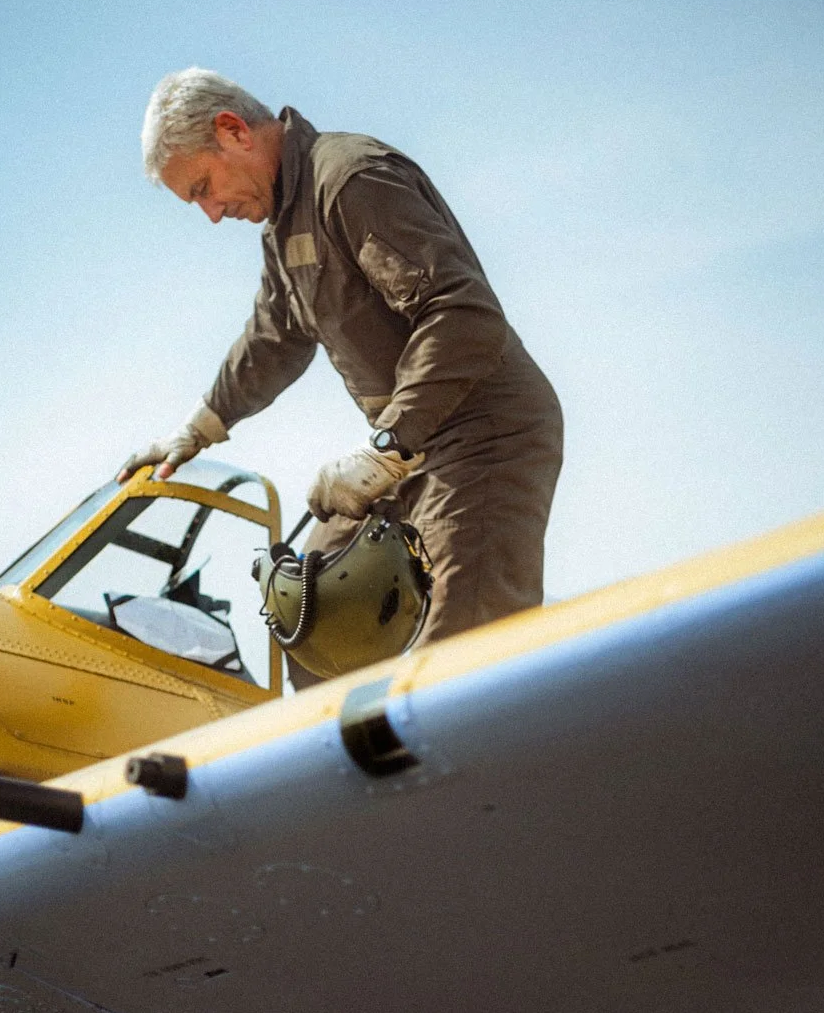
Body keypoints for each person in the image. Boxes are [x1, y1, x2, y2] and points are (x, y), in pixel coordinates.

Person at [118, 68, 562, 685]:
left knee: (461, 668)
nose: (213, 215)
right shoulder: (283, 221)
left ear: (232, 132)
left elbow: (461, 314)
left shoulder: (348, 178)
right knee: (313, 622)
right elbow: (275, 335)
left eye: (202, 189)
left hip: (482, 439)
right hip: (406, 452)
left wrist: (387, 447)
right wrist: (195, 430)